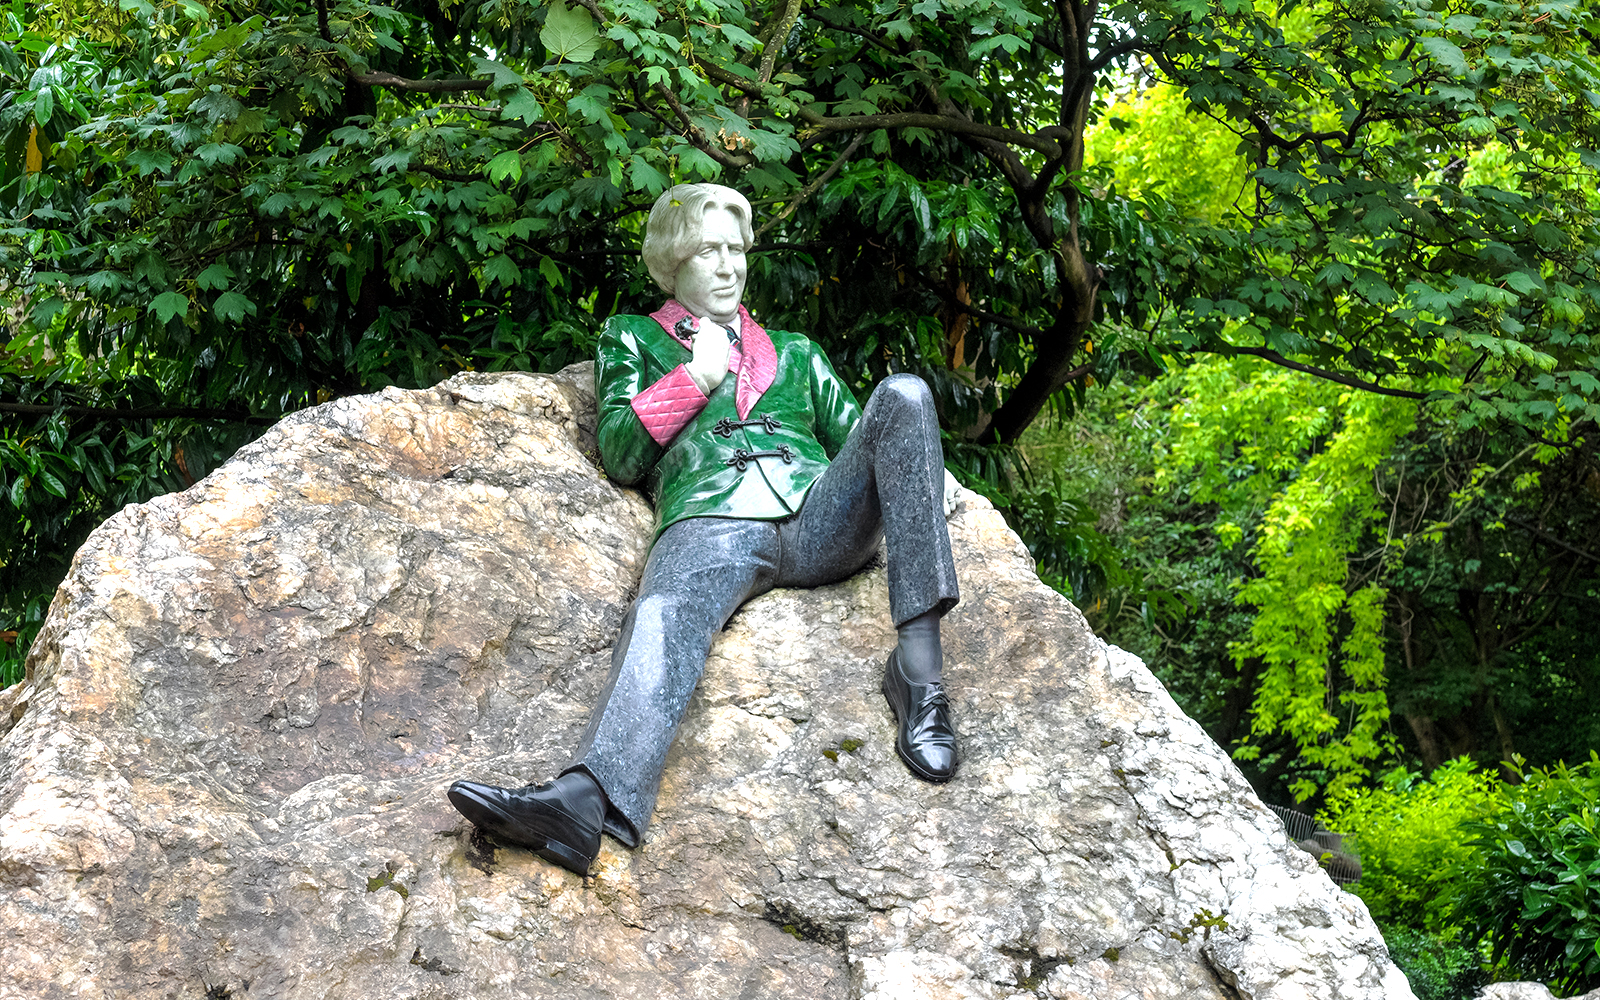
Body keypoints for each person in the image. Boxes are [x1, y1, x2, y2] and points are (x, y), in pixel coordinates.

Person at [448, 184, 961, 875]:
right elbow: (622, 454)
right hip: (712, 521)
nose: (727, 266)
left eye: (735, 249)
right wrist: (693, 376)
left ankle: (920, 678)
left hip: (819, 515)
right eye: (706, 251)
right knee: (662, 612)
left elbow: (875, 447)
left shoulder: (798, 353)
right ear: (671, 263)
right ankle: (583, 801)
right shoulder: (631, 336)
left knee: (904, 394)